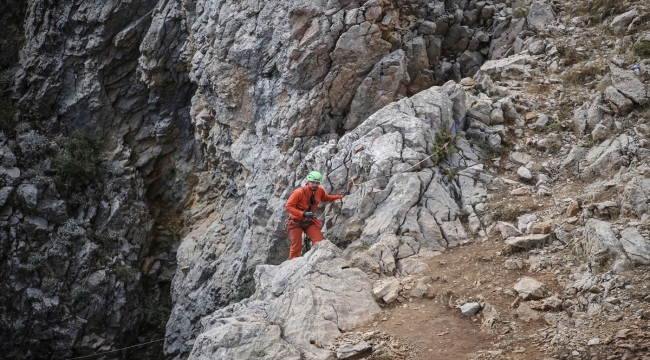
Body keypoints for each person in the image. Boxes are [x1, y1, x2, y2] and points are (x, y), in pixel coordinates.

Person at [284, 171, 343, 260]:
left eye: (317, 183)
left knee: (318, 241)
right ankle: (291, 265)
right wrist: (302, 213)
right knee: (296, 247)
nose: (315, 185)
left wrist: (341, 197)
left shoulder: (319, 191)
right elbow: (288, 206)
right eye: (313, 182)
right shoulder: (298, 192)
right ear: (308, 182)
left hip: (308, 221)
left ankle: (314, 259)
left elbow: (326, 198)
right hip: (295, 222)